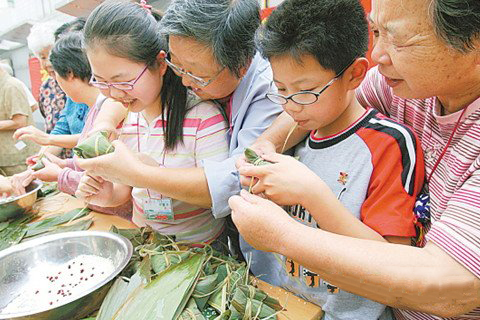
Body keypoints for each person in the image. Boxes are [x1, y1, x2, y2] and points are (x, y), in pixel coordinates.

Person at [230, 0, 480, 318]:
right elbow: (329, 102)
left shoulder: (395, 129)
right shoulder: (403, 83)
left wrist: (283, 236)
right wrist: (267, 143)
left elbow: (451, 291)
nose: (378, 55)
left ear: (474, 42)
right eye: (376, 31)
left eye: (399, 39)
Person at [76, 0, 282, 219]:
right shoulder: (142, 104)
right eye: (177, 65)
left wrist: (138, 174)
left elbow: (236, 181)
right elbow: (119, 95)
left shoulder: (269, 93)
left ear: (242, 66)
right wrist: (104, 124)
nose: (183, 81)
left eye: (195, 74)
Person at [75, 1, 229, 244]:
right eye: (101, 81)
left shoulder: (202, 118)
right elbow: (125, 191)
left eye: (123, 81)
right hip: (147, 247)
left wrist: (141, 173)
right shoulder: (127, 118)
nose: (113, 94)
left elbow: (217, 194)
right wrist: (106, 195)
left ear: (159, 64)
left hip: (200, 254)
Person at [10, 32, 131, 217]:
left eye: (55, 74)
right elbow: (93, 166)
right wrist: (61, 163)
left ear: (69, 73)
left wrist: (60, 174)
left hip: (118, 217)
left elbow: (108, 183)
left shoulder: (110, 113)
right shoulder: (96, 109)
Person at [27, 21, 66, 134]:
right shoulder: (45, 87)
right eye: (43, 58)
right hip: (52, 148)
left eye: (51, 55)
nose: (48, 63)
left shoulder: (79, 80)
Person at [0, 64, 39, 176]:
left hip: (19, 156)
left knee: (24, 189)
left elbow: (20, 121)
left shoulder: (11, 86)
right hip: (7, 157)